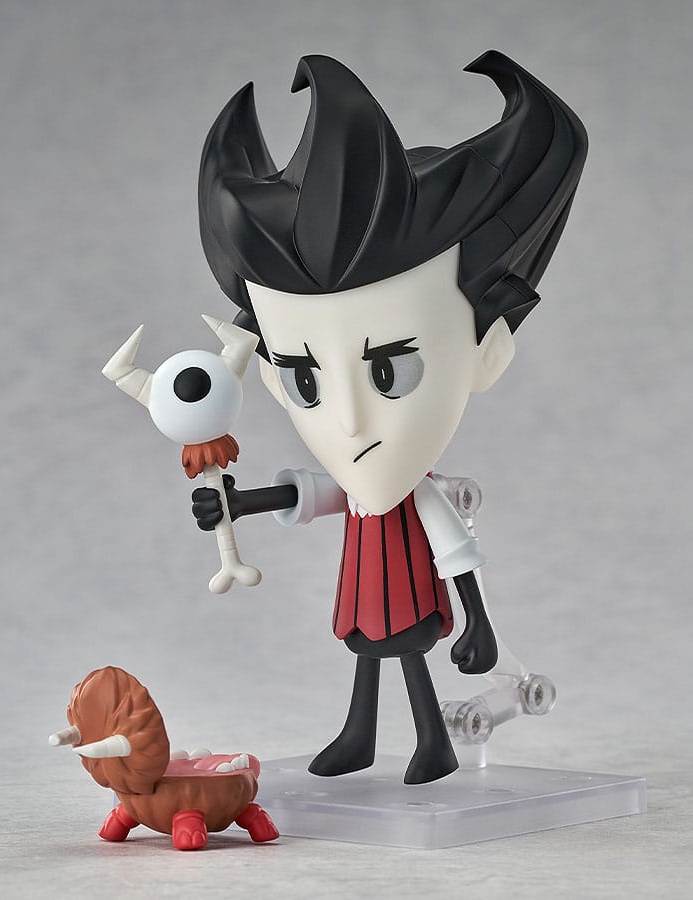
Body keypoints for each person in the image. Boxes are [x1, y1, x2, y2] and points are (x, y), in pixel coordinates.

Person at [192, 52, 587, 784]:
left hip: (404, 581)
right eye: (304, 379)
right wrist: (240, 502)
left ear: (488, 349)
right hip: (364, 582)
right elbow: (320, 493)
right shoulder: (358, 483)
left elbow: (457, 551)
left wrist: (479, 623)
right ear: (273, 376)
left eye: (389, 373)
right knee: (367, 653)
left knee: (406, 652)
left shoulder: (419, 493)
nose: (349, 422)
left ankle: (433, 741)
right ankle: (361, 736)